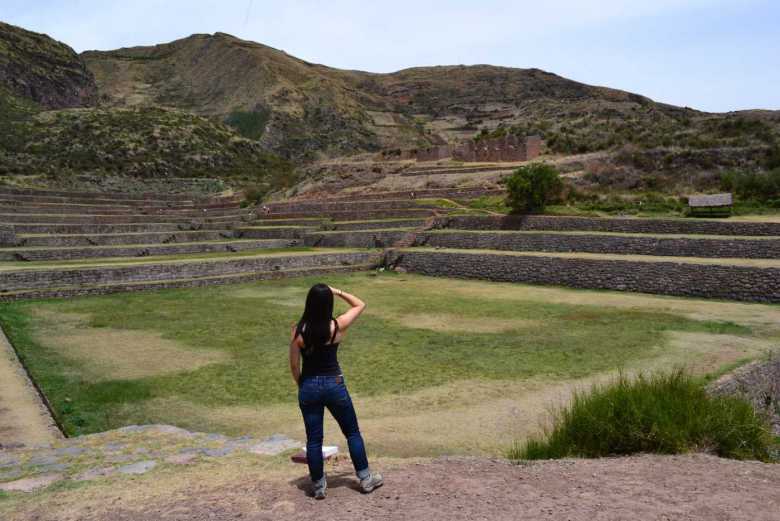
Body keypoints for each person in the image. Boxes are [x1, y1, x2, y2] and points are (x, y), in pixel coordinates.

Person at [289, 283, 383, 499]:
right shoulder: (336, 326)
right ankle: (366, 478)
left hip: (309, 385)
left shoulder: (298, 331)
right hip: (334, 384)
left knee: (314, 439)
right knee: (352, 432)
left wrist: (301, 384)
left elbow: (295, 366)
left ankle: (319, 485)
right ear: (328, 303)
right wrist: (337, 291)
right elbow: (360, 304)